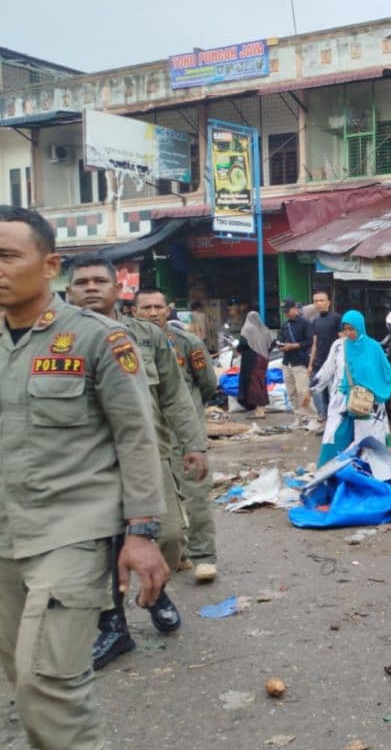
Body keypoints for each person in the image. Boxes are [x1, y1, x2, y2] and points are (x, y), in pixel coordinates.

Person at [0, 206, 168, 748]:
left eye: (6, 256)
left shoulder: (98, 339)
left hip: (71, 532)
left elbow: (137, 436)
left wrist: (142, 533)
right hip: (5, 533)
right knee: (21, 676)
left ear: (49, 265)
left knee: (49, 685)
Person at [67, 256, 208, 669]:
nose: (91, 288)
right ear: (68, 291)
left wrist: (193, 443)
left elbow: (175, 396)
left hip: (147, 455)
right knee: (96, 548)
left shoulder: (147, 337)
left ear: (117, 290)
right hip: (83, 465)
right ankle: (113, 624)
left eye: (99, 281)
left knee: (168, 535)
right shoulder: (53, 339)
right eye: (81, 282)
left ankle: (155, 589)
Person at [134, 288, 221, 584]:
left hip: (185, 436)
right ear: (135, 311)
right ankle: (177, 553)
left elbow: (208, 384)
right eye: (146, 308)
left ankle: (204, 556)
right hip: (150, 438)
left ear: (168, 310)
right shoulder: (125, 344)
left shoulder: (187, 343)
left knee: (196, 495)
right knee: (161, 504)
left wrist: (192, 417)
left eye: (159, 307)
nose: (153, 313)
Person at [311, 310, 391, 465]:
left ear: (360, 327)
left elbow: (387, 371)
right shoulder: (338, 346)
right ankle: (329, 475)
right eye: (345, 329)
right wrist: (313, 385)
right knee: (335, 438)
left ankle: (368, 474)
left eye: (352, 329)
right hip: (342, 402)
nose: (348, 333)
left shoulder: (373, 347)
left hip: (368, 404)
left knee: (369, 445)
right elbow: (327, 369)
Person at [279, 297, 318, 430]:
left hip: (299, 362)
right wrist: (282, 346)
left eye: (288, 310)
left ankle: (313, 418)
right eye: (284, 310)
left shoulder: (305, 323)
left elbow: (310, 342)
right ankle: (299, 418)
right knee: (291, 392)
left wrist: (294, 346)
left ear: (295, 308)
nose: (286, 313)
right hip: (287, 362)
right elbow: (281, 340)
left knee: (303, 391)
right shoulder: (285, 325)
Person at [308, 289, 342, 421]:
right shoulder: (315, 321)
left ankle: (333, 421)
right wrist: (310, 364)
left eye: (322, 300)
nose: (319, 303)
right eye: (316, 301)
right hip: (318, 364)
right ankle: (324, 420)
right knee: (318, 395)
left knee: (333, 395)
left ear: (328, 302)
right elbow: (315, 344)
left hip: (333, 365)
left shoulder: (336, 318)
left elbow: (342, 341)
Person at [237, 311, 272, 417]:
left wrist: (238, 349)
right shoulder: (265, 329)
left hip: (251, 360)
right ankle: (260, 409)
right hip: (264, 359)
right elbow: (271, 345)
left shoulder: (247, 328)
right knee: (261, 382)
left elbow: (242, 344)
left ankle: (259, 410)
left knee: (254, 384)